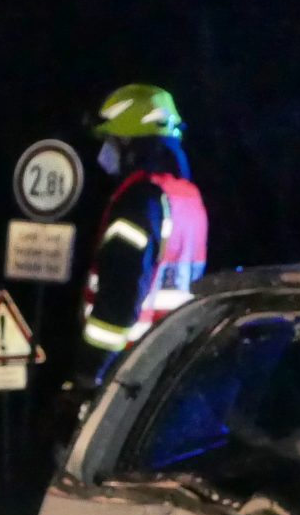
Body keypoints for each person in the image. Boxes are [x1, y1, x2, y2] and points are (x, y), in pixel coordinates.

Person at [74, 84, 208, 387]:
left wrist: (86, 373)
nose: (104, 151)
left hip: (128, 374)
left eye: (110, 140)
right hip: (172, 367)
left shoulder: (138, 202)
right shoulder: (186, 199)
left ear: (128, 143)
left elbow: (120, 298)